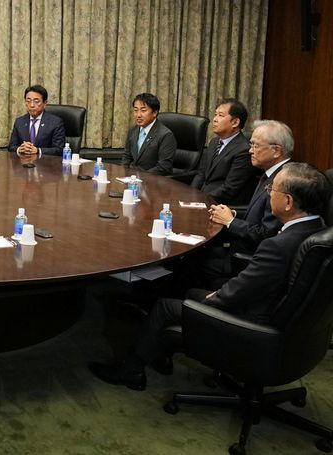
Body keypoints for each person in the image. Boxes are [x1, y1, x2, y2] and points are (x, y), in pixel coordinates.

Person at [89, 162, 329, 391]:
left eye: (271, 189)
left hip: (255, 323)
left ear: (288, 202)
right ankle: (158, 351)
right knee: (188, 291)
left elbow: (242, 291)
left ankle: (131, 371)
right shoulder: (316, 228)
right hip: (286, 323)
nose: (268, 194)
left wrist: (212, 299)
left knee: (165, 307)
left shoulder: (279, 245)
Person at [208, 120, 293, 254]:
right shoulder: (269, 173)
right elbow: (258, 213)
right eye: (251, 144)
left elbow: (266, 235)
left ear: (276, 151)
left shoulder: (284, 182)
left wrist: (230, 221)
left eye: (255, 146)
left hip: (249, 256)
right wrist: (231, 213)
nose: (250, 151)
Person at [191, 99, 257, 205]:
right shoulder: (214, 142)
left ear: (235, 122)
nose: (215, 119)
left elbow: (229, 189)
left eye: (220, 115)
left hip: (223, 205)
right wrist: (190, 194)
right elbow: (201, 174)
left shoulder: (244, 150)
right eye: (215, 115)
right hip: (203, 200)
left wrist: (200, 200)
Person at [121, 93, 176, 175]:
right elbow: (127, 157)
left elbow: (164, 167)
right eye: (136, 110)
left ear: (155, 113)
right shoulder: (133, 130)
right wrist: (121, 174)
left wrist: (140, 178)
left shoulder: (166, 135)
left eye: (143, 110)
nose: (138, 115)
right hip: (131, 180)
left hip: (153, 182)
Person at [8, 85, 66, 157]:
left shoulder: (55, 122)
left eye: (36, 101)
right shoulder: (19, 121)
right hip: (24, 164)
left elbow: (59, 149)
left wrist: (38, 150)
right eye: (28, 101)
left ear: (45, 103)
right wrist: (20, 149)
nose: (31, 105)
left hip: (47, 165)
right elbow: (11, 147)